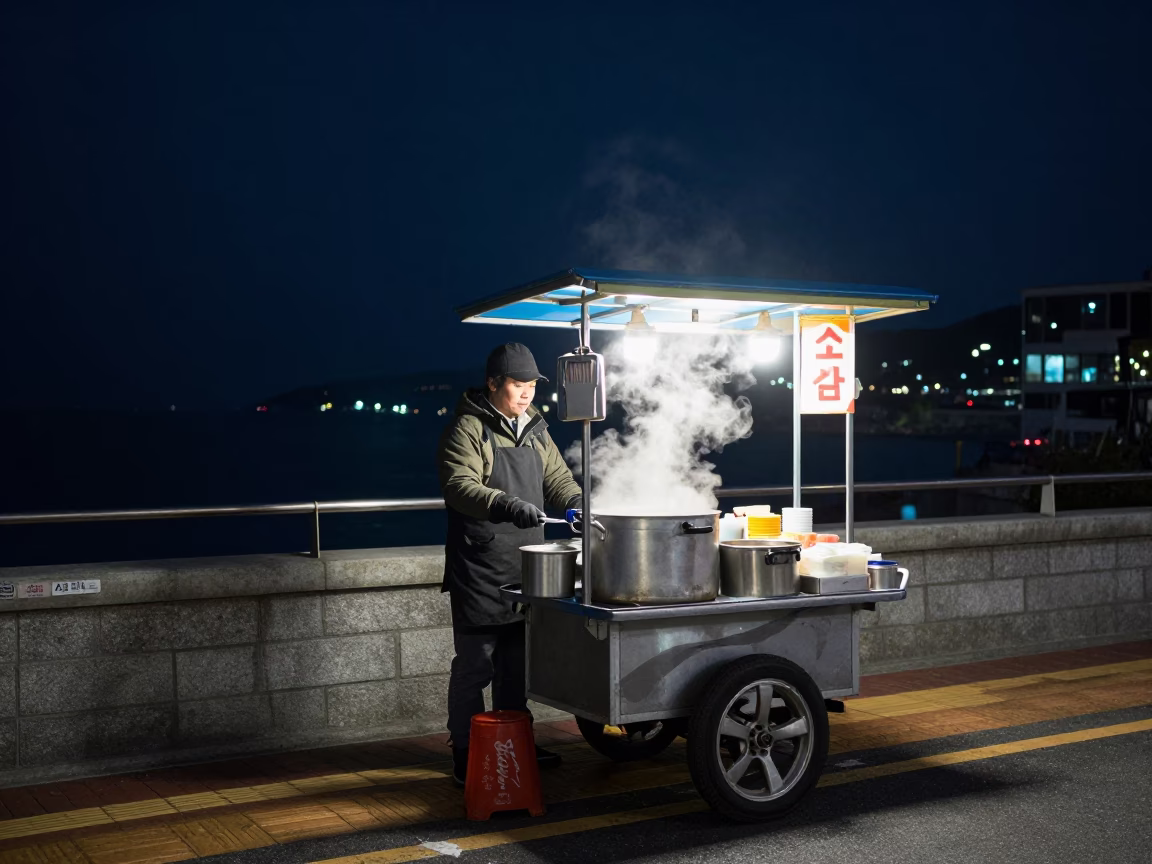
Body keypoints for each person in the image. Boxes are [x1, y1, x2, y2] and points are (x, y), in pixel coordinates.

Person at [437, 342, 583, 786]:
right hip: (480, 566)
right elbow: (459, 485)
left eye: (531, 386)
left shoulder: (536, 427)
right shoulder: (469, 428)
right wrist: (506, 503)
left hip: (527, 566)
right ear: (493, 383)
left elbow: (556, 478)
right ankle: (465, 750)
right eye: (517, 385)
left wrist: (575, 503)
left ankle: (515, 744)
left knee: (518, 665)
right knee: (475, 665)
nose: (525, 395)